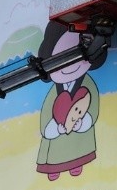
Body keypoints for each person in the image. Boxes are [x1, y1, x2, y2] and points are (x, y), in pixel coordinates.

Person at [35, 21, 101, 181]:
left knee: (79, 147)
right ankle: (53, 167)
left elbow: (93, 105)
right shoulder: (54, 92)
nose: (70, 66)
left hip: (80, 130)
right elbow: (46, 112)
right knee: (55, 150)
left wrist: (83, 121)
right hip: (58, 130)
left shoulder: (87, 83)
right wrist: (55, 128)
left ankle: (77, 163)